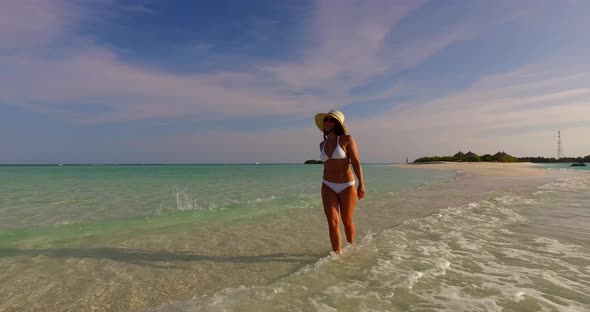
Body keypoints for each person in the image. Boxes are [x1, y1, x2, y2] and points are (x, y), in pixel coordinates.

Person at [314, 109, 365, 254]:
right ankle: (337, 256)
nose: (328, 123)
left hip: (347, 186)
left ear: (337, 123)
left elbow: (356, 163)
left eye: (332, 120)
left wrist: (362, 183)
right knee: (332, 222)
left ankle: (351, 249)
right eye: (326, 120)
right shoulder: (321, 145)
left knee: (347, 222)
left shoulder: (347, 139)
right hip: (327, 185)